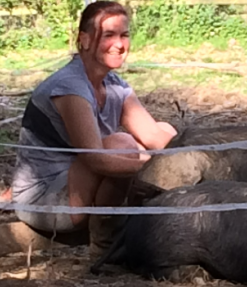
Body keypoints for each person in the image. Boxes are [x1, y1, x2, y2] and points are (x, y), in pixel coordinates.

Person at [10, 1, 178, 258]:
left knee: (164, 130)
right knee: (122, 146)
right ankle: (104, 243)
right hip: (45, 201)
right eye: (109, 35)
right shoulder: (70, 87)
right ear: (84, 40)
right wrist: (158, 171)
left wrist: (195, 157)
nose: (120, 44)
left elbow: (155, 135)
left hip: (75, 185)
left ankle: (122, 220)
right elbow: (96, 160)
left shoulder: (114, 85)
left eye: (124, 35)